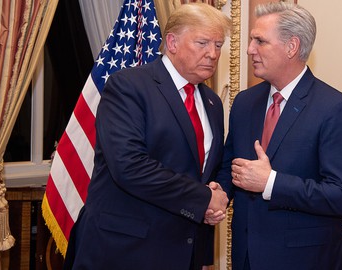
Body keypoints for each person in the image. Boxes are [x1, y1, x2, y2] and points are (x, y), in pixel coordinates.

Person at [63, 3, 231, 270]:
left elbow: (209, 168)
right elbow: (129, 166)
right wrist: (202, 198)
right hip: (124, 251)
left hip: (182, 251)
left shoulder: (211, 101)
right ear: (172, 42)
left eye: (219, 45)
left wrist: (217, 195)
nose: (212, 54)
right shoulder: (128, 86)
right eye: (202, 43)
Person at [217, 2, 342, 270]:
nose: (250, 50)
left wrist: (271, 182)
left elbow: (341, 196)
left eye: (260, 41)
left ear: (292, 47)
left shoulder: (334, 107)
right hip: (246, 256)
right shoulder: (245, 103)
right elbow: (230, 167)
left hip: (304, 260)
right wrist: (218, 193)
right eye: (251, 41)